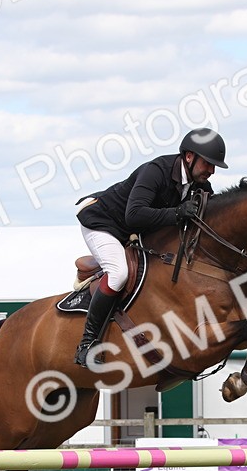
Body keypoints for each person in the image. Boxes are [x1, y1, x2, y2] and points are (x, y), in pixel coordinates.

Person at [72, 128, 228, 367]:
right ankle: (87, 343)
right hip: (103, 222)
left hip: (133, 231)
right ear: (189, 157)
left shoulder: (201, 187)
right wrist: (177, 213)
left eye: (214, 165)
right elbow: (134, 215)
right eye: (208, 163)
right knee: (119, 273)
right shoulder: (155, 171)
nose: (212, 171)